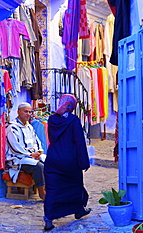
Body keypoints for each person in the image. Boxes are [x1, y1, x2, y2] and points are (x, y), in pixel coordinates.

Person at [43, 94, 91, 231]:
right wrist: (84, 163)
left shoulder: (51, 119)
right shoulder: (74, 120)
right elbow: (79, 142)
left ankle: (49, 219)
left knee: (52, 190)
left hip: (53, 159)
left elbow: (52, 138)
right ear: (72, 106)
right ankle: (79, 210)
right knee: (74, 186)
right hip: (70, 161)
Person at [6, 102, 46, 200]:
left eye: (29, 112)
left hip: (31, 156)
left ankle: (51, 190)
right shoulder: (12, 127)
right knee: (38, 167)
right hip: (18, 158)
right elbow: (15, 146)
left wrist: (38, 153)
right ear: (18, 112)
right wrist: (30, 154)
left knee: (50, 161)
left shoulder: (29, 127)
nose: (28, 114)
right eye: (25, 111)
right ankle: (42, 193)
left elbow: (37, 141)